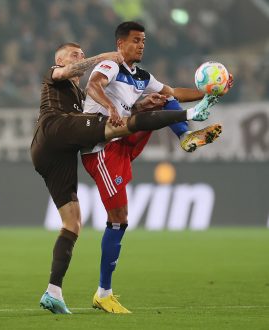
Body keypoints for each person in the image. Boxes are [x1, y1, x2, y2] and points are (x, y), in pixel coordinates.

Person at [31, 42, 219, 314]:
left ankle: (53, 292)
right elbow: (69, 72)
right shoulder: (55, 75)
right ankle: (187, 119)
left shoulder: (81, 95)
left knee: (72, 224)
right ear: (59, 61)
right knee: (118, 126)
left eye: (82, 54)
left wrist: (144, 103)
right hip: (54, 131)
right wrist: (102, 57)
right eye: (75, 55)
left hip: (55, 156)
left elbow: (165, 93)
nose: (80, 58)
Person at [80, 21, 234, 313]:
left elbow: (175, 91)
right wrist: (111, 108)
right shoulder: (112, 66)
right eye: (136, 40)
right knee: (119, 216)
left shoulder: (142, 77)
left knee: (165, 97)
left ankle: (186, 136)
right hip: (101, 147)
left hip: (123, 139)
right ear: (120, 43)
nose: (141, 45)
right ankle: (103, 292)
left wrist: (211, 94)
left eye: (144, 40)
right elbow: (93, 85)